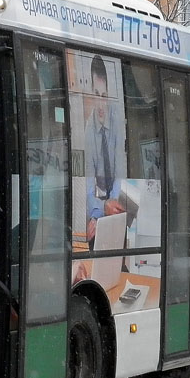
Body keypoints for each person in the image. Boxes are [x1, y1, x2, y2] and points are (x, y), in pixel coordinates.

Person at [85, 55, 126, 246]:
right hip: (102, 207)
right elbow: (87, 186)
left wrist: (113, 206)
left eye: (104, 95)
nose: (100, 105)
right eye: (95, 94)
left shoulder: (118, 120)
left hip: (117, 205)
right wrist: (101, 209)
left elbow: (120, 171)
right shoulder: (88, 131)